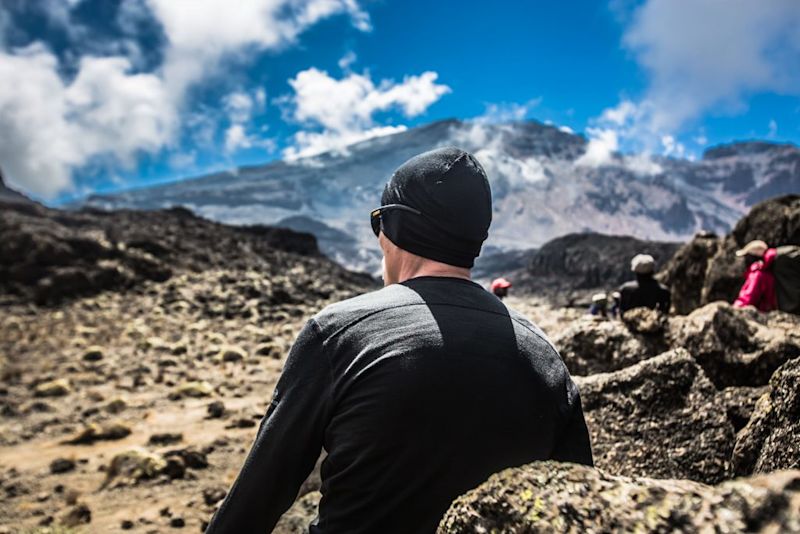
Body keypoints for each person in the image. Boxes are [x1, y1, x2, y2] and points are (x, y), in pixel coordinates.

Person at [205, 147, 593, 534]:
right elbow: (584, 498)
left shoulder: (340, 332)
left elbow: (258, 496)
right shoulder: (543, 354)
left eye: (379, 222)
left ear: (397, 228)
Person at [733, 240, 777, 312]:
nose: (744, 260)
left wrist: (733, 309)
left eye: (746, 256)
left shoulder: (757, 274)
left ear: (752, 257)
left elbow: (748, 299)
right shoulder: (768, 271)